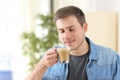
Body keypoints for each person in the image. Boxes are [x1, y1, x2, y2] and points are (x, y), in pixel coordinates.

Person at [26, 6, 120, 80]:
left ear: (85, 27)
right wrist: (42, 65)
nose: (66, 36)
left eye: (71, 29)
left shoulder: (111, 58)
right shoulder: (50, 58)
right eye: (62, 31)